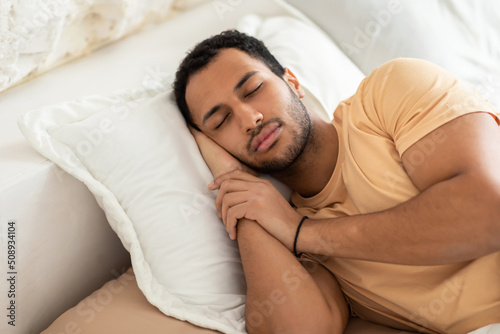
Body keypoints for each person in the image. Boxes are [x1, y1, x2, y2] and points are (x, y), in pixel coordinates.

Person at [173, 30, 500, 334]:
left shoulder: (388, 93)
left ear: (293, 82)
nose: (249, 119)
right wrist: (235, 182)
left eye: (254, 90)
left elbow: (488, 212)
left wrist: (303, 232)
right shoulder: (295, 247)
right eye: (221, 121)